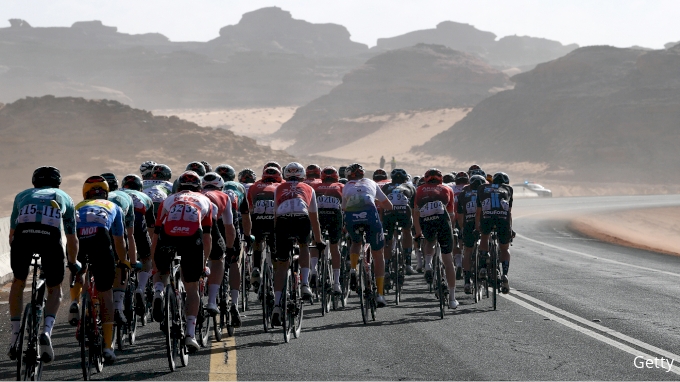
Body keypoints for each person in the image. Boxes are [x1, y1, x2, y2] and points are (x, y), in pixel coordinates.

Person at [8, 166, 79, 363]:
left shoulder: (22, 195)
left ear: (34, 182)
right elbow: (72, 239)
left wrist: (19, 259)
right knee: (55, 288)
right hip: (50, 238)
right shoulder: (64, 197)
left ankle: (15, 337)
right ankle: (46, 331)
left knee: (18, 282)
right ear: (58, 183)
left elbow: (12, 236)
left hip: (23, 237)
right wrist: (73, 262)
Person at [151, 171, 213, 352]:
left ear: (178, 187)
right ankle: (190, 334)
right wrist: (204, 263)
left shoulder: (168, 200)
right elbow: (207, 238)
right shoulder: (205, 200)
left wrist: (155, 264)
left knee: (162, 271)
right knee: (192, 287)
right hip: (192, 238)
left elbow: (156, 236)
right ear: (199, 187)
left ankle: (158, 291)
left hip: (168, 235)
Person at [73, 176, 133, 363]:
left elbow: (68, 234)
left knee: (78, 270)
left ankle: (75, 303)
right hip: (101, 239)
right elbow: (119, 240)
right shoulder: (112, 206)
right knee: (106, 292)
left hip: (79, 240)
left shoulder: (78, 206)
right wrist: (123, 260)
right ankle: (108, 347)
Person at [270, 163, 325, 326]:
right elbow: (314, 218)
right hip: (302, 219)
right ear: (302, 176)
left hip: (283, 221)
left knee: (281, 264)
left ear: (285, 175)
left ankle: (277, 305)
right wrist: (318, 239)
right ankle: (305, 284)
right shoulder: (309, 188)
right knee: (303, 247)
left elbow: (275, 215)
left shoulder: (278, 188)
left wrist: (276, 237)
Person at [342, 163, 393, 308]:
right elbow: (388, 205)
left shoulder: (346, 186)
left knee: (355, 243)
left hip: (352, 217)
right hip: (370, 215)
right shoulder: (372, 183)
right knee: (378, 254)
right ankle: (380, 294)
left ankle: (353, 268)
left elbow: (344, 207)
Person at [413, 168, 459, 309]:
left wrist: (418, 232)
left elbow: (416, 213)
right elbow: (451, 215)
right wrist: (451, 230)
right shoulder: (447, 189)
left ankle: (427, 263)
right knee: (447, 260)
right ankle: (452, 299)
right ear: (441, 179)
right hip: (443, 221)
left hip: (426, 221)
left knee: (430, 241)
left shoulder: (419, 190)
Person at [200, 173, 239, 326]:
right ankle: (211, 301)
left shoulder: (195, 194)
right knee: (218, 259)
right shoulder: (224, 196)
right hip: (212, 224)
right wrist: (229, 249)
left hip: (189, 226)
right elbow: (230, 228)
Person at [100, 173, 137, 325]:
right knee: (122, 263)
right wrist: (132, 261)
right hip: (116, 226)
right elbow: (130, 234)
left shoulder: (92, 199)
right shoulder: (125, 197)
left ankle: (80, 301)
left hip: (92, 231)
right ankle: (117, 306)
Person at [120, 174, 156, 315]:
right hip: (138, 227)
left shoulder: (116, 194)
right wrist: (149, 247)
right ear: (140, 188)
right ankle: (141, 287)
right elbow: (151, 226)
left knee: (120, 258)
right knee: (146, 258)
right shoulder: (145, 197)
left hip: (118, 228)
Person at [475, 172, 513, 294]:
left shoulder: (482, 188)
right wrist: (510, 229)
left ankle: (482, 267)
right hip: (503, 219)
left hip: (487, 217)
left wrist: (477, 226)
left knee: (485, 237)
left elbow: (478, 210)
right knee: (505, 248)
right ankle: (505, 274)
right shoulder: (508, 189)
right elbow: (509, 212)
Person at [248, 167, 282, 294]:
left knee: (258, 240)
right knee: (275, 247)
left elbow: (250, 208)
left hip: (258, 218)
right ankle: (276, 269)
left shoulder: (254, 186)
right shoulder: (282, 185)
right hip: (274, 219)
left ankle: (256, 266)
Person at [381, 168, 416, 287]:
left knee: (388, 239)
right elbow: (414, 207)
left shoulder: (385, 187)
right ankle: (408, 263)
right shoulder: (410, 186)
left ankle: (386, 267)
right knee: (407, 231)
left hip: (388, 213)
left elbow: (381, 205)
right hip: (404, 212)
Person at [312, 166, 345, 294]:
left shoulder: (316, 187)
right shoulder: (340, 186)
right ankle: (336, 283)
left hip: (319, 216)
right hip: (334, 216)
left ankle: (314, 269)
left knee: (315, 242)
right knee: (334, 247)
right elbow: (346, 205)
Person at [456, 175, 486, 293]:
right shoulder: (485, 192)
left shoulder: (463, 194)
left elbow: (460, 216)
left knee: (468, 251)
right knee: (485, 240)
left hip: (468, 222)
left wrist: (463, 229)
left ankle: (467, 282)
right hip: (483, 222)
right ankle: (483, 265)